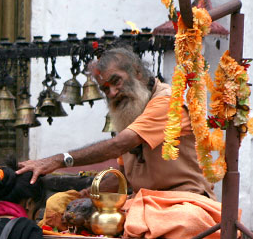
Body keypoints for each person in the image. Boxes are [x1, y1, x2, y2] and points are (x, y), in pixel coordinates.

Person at [18, 47, 214, 198]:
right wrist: (88, 194)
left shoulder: (167, 103)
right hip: (145, 203)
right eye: (105, 89)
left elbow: (117, 146)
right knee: (62, 210)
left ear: (137, 72)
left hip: (185, 201)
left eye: (116, 81)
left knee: (135, 222)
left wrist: (58, 160)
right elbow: (123, 177)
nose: (112, 93)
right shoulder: (133, 112)